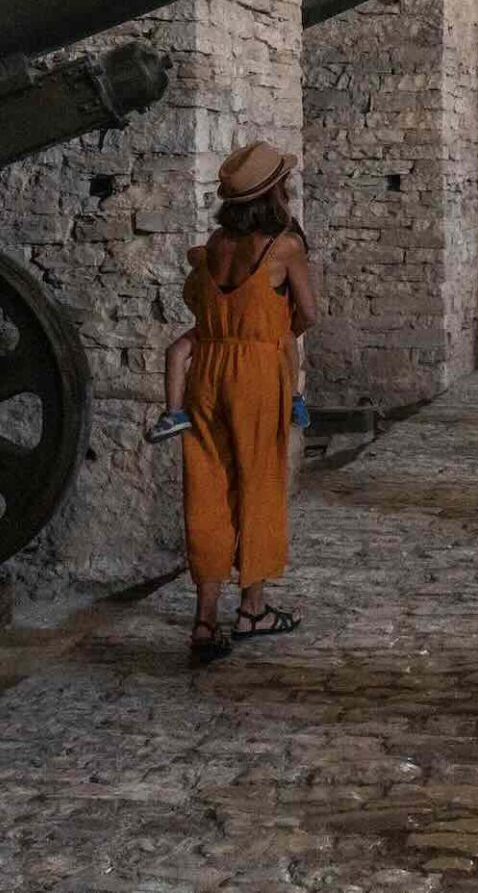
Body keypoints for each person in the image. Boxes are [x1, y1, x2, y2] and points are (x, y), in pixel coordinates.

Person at [157, 141, 317, 663]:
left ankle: (205, 620)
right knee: (258, 483)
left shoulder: (215, 244)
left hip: (207, 371)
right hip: (256, 373)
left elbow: (198, 309)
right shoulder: (284, 248)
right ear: (275, 192)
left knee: (206, 488)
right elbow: (309, 314)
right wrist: (273, 332)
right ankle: (252, 608)